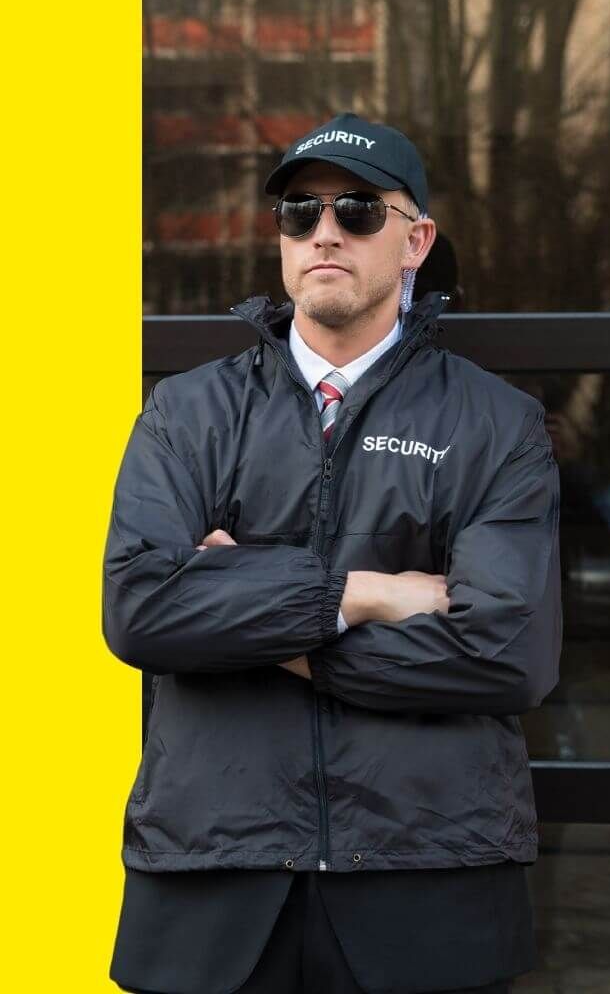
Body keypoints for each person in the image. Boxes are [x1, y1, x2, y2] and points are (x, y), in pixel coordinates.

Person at [104, 111, 563, 993]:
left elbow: (507, 655)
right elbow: (142, 611)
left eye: (357, 211)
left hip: (427, 875)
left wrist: (254, 621)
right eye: (298, 214)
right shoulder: (188, 414)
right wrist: (366, 592)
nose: (323, 232)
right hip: (214, 879)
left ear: (415, 239)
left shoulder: (494, 423)